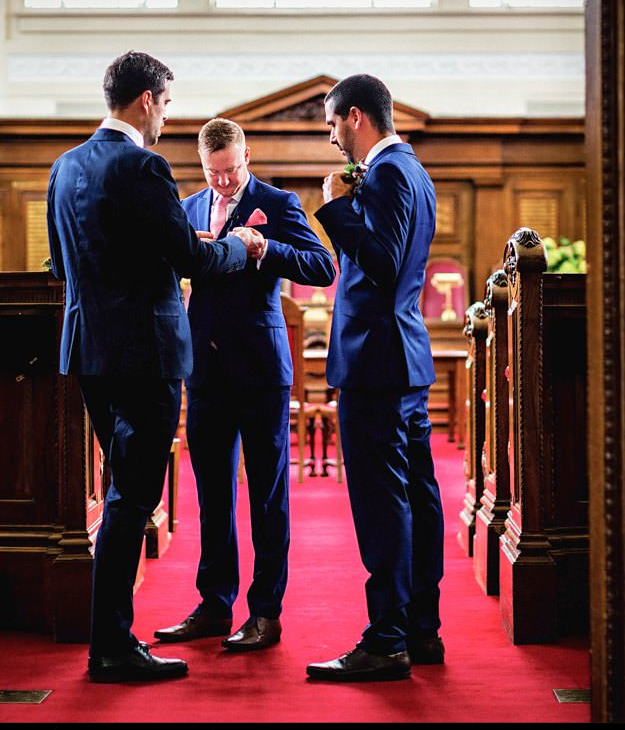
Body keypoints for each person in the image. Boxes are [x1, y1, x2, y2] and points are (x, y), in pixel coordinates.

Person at [46, 51, 265, 683]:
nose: (166, 117)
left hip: (88, 351)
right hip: (144, 355)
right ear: (147, 99)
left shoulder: (65, 167)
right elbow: (185, 257)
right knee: (131, 499)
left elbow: (62, 267)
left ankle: (110, 638)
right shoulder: (144, 164)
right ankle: (111, 645)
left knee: (121, 494)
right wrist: (241, 247)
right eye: (166, 104)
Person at [155, 118, 336, 651]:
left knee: (267, 495)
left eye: (231, 170)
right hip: (204, 371)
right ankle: (214, 605)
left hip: (260, 369)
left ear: (246, 156)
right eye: (213, 173)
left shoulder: (277, 203)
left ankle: (265, 613)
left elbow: (322, 266)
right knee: (212, 494)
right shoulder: (187, 208)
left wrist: (263, 251)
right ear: (201, 165)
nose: (224, 183)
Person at [305, 74, 445, 682]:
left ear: (356, 116)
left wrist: (335, 206)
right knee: (418, 497)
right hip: (402, 360)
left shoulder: (387, 172)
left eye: (334, 126)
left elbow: (384, 264)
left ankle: (386, 639)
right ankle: (421, 630)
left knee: (382, 504)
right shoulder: (417, 171)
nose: (334, 139)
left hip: (377, 364)